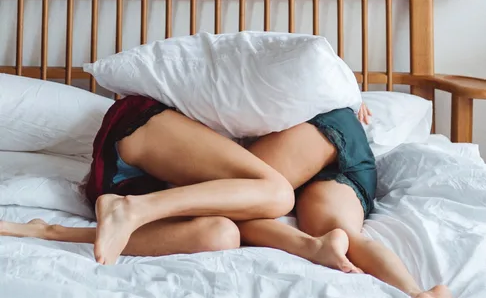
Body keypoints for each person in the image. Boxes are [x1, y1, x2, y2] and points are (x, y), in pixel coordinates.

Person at [0, 97, 451, 298]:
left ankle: (417, 292)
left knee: (226, 232)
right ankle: (130, 210)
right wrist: (344, 89)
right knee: (272, 197)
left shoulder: (334, 112)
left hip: (330, 145)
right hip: (144, 141)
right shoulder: (306, 100)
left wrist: (348, 91)